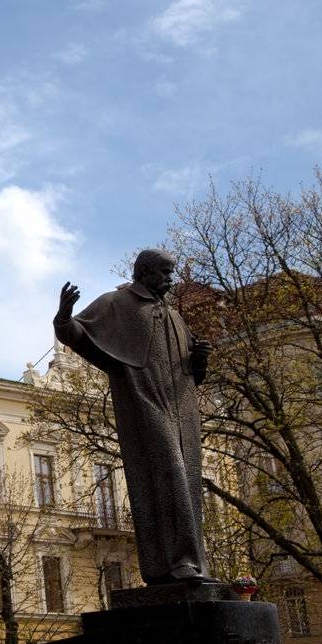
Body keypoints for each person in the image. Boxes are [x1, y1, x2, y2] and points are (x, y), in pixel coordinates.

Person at [54, 248, 212, 584]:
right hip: (145, 399)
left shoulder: (173, 316)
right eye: (164, 273)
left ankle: (193, 564)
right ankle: (175, 562)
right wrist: (64, 317)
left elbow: (190, 374)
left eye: (172, 273)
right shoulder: (116, 303)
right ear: (144, 271)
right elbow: (78, 334)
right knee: (169, 473)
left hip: (183, 408)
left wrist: (199, 360)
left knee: (188, 480)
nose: (170, 280)